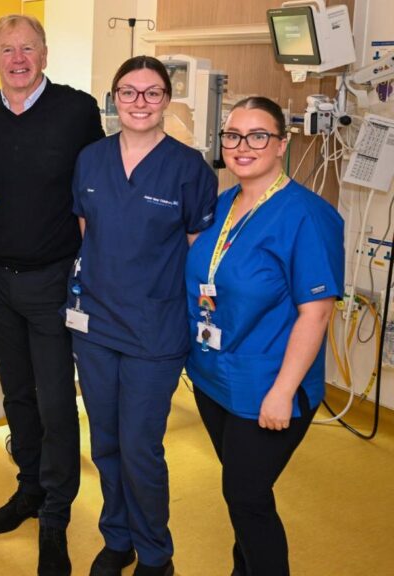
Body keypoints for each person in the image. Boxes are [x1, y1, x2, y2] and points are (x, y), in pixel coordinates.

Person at [69, 56, 218, 576]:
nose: (139, 102)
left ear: (167, 100)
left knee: (140, 447)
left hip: (156, 329)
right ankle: (118, 538)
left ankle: (156, 554)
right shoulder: (90, 159)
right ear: (113, 99)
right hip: (96, 326)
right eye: (128, 92)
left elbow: (200, 254)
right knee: (105, 440)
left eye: (152, 93)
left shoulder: (189, 168)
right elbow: (91, 233)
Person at [185, 96, 343, 576]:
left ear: (282, 143)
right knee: (242, 493)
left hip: (269, 387)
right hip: (216, 379)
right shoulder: (223, 204)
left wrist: (282, 391)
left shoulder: (306, 216)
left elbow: (315, 314)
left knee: (247, 496)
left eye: (258, 136)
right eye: (233, 136)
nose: (242, 146)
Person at [0, 13, 103, 573]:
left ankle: (56, 511)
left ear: (44, 55)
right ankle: (28, 487)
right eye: (7, 49)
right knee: (17, 394)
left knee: (54, 399)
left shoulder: (76, 109)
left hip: (54, 278)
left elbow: (97, 186)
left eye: (28, 48)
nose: (18, 58)